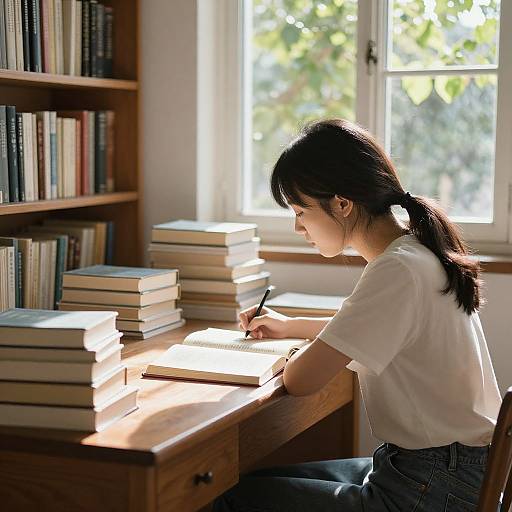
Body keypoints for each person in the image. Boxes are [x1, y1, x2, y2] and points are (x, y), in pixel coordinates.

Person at [212, 119, 502, 512]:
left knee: (234, 499)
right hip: (442, 472)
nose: (298, 227)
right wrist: (291, 327)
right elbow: (381, 330)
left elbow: (300, 380)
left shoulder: (396, 269)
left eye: (301, 211)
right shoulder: (415, 250)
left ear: (342, 203)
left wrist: (299, 353)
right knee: (254, 482)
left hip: (432, 485)